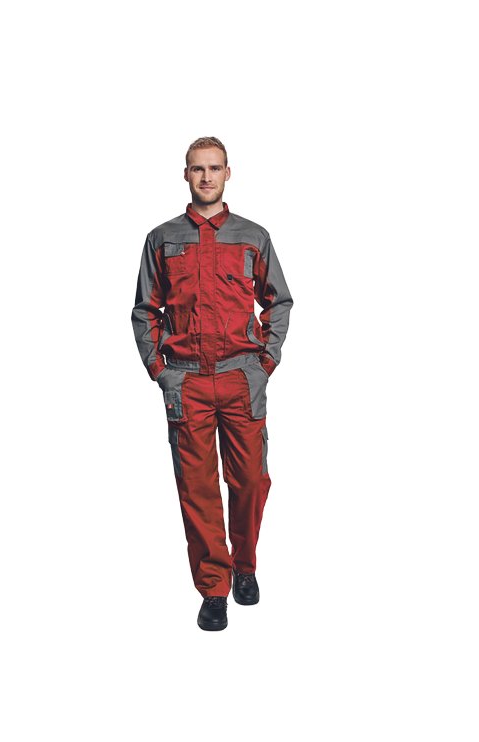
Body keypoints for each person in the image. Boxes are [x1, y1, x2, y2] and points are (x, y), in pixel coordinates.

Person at [131, 137, 294, 631]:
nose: (206, 177)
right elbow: (145, 309)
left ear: (228, 173)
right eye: (198, 169)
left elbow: (279, 301)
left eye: (215, 168)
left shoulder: (253, 236)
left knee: (251, 482)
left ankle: (245, 566)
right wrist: (160, 370)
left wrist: (266, 361)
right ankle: (214, 588)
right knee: (198, 489)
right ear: (186, 174)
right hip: (187, 383)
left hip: (242, 378)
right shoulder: (162, 239)